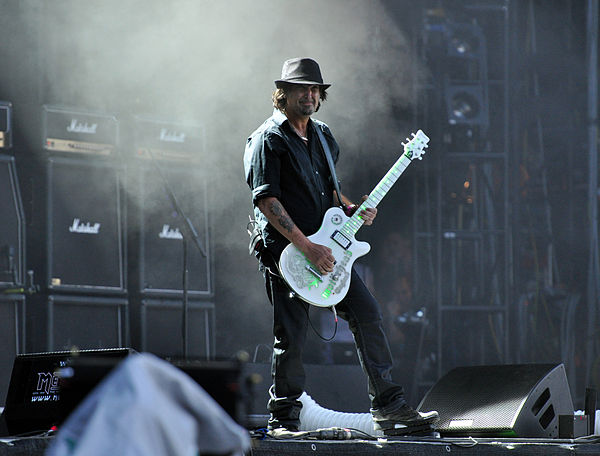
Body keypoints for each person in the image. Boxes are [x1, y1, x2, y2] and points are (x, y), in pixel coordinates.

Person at [243, 57, 438, 436]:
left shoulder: (324, 136)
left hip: (328, 248)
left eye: (316, 89)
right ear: (283, 94)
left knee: (367, 313)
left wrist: (351, 208)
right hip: (287, 251)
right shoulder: (269, 139)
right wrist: (306, 247)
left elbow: (328, 192)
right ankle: (283, 418)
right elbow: (267, 201)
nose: (310, 95)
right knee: (292, 334)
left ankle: (389, 406)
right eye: (302, 89)